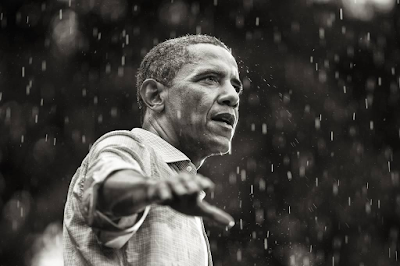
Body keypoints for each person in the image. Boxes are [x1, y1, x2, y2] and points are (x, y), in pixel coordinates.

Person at [63, 34, 243, 266]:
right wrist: (150, 190)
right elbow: (107, 195)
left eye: (236, 86)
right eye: (209, 79)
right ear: (155, 96)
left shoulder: (181, 189)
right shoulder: (128, 148)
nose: (232, 96)